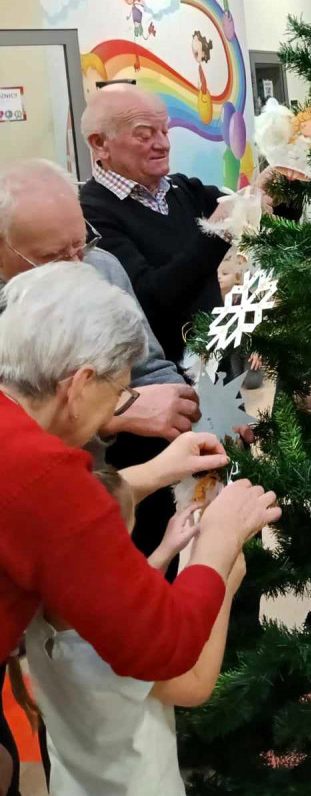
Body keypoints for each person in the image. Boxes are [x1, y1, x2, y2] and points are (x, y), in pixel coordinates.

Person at [0, 261, 280, 679]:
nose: (119, 404)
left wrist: (156, 471)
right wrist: (217, 543)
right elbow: (161, 648)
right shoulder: (49, 473)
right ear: (79, 386)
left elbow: (38, 519)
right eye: (120, 392)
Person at [0, 159, 201, 574]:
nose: (76, 265)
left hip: (125, 487)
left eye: (81, 243)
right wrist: (116, 412)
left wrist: (202, 418)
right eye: (54, 256)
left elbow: (149, 366)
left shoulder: (102, 266)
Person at [26, 468, 245, 796]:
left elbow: (111, 592)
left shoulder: (37, 613)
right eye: (123, 548)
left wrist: (163, 552)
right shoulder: (113, 648)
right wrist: (224, 574)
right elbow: (196, 683)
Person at [78, 85, 236, 364]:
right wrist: (218, 230)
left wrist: (281, 184)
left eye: (164, 131)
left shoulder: (182, 189)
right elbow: (148, 298)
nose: (163, 144)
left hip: (217, 367)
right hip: (159, 383)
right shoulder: (88, 215)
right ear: (100, 144)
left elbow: (267, 213)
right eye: (144, 135)